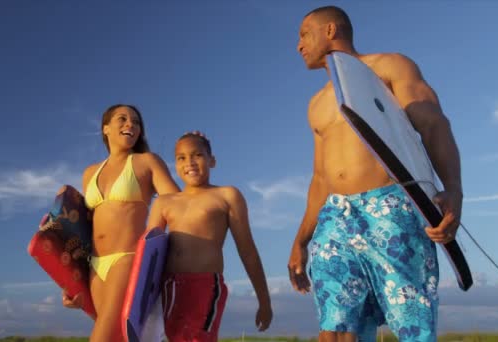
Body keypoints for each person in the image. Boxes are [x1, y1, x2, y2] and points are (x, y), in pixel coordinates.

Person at [288, 6, 463, 342]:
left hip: (393, 205)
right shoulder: (316, 103)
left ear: (330, 30)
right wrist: (301, 240)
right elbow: (320, 178)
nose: (298, 45)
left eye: (304, 33)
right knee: (336, 326)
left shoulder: (389, 66)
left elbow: (432, 123)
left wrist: (453, 188)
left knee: (412, 322)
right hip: (336, 215)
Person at [62, 104, 180, 341]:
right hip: (95, 266)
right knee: (119, 337)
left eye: (136, 121)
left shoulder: (146, 162)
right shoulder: (90, 173)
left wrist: (196, 151)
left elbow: (178, 204)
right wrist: (69, 281)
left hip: (128, 258)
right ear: (105, 128)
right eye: (122, 119)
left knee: (102, 338)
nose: (131, 124)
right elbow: (84, 231)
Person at [146, 131, 273, 341]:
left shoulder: (227, 195)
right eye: (182, 157)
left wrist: (264, 300)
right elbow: (149, 255)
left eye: (197, 155)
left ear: (211, 160)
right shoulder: (164, 202)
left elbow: (247, 250)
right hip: (169, 287)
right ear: (175, 165)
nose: (190, 162)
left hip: (205, 285)